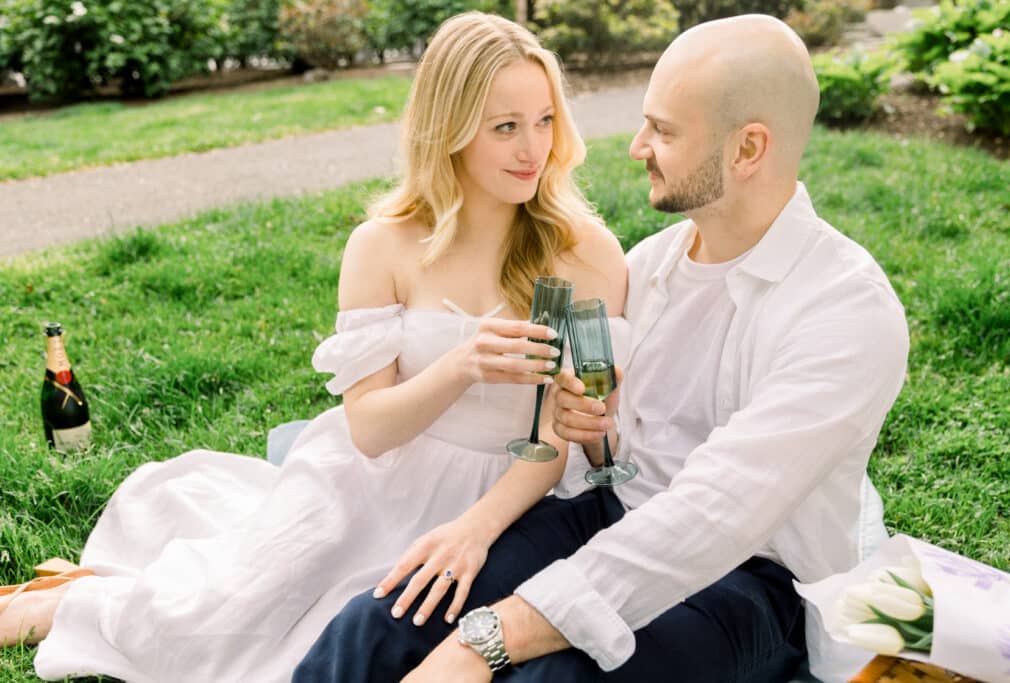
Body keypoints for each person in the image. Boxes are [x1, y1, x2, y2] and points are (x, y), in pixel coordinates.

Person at [0, 12, 627, 682]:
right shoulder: (383, 245)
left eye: (545, 121)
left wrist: (477, 526)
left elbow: (566, 432)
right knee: (220, 624)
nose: (532, 148)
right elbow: (369, 427)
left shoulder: (582, 250)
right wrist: (460, 364)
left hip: (507, 495)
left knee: (343, 638)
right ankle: (69, 601)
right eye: (506, 126)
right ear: (449, 129)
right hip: (373, 481)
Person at [294, 13, 911, 683]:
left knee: (543, 678)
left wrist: (483, 640)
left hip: (751, 579)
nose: (636, 144)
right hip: (611, 514)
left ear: (748, 148)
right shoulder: (651, 268)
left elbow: (711, 517)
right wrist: (592, 435)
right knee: (379, 624)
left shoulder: (844, 312)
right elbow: (615, 454)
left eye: (664, 130)